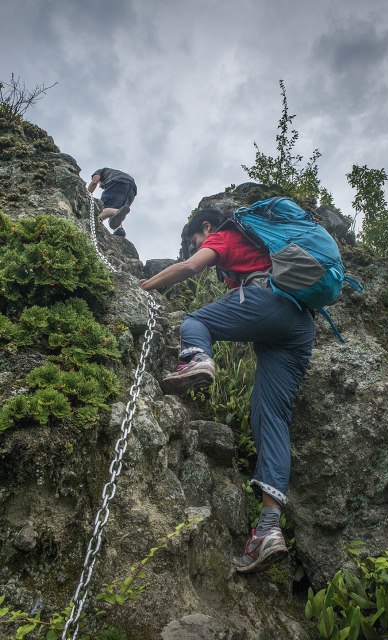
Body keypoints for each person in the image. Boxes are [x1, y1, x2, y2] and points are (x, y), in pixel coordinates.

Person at [140, 209, 315, 573]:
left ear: (205, 227)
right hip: (299, 326)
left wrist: (141, 288)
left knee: (196, 320)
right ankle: (268, 529)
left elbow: (190, 268)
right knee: (271, 418)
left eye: (194, 240)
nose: (196, 246)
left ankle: (198, 360)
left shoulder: (223, 234)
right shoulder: (262, 247)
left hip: (267, 301)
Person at [87, 167, 137, 238]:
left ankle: (95, 221)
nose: (101, 186)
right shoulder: (114, 172)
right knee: (117, 213)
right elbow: (123, 210)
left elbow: (94, 182)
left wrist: (86, 194)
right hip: (132, 190)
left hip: (118, 181)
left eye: (101, 186)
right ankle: (119, 230)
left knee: (103, 207)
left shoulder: (101, 171)